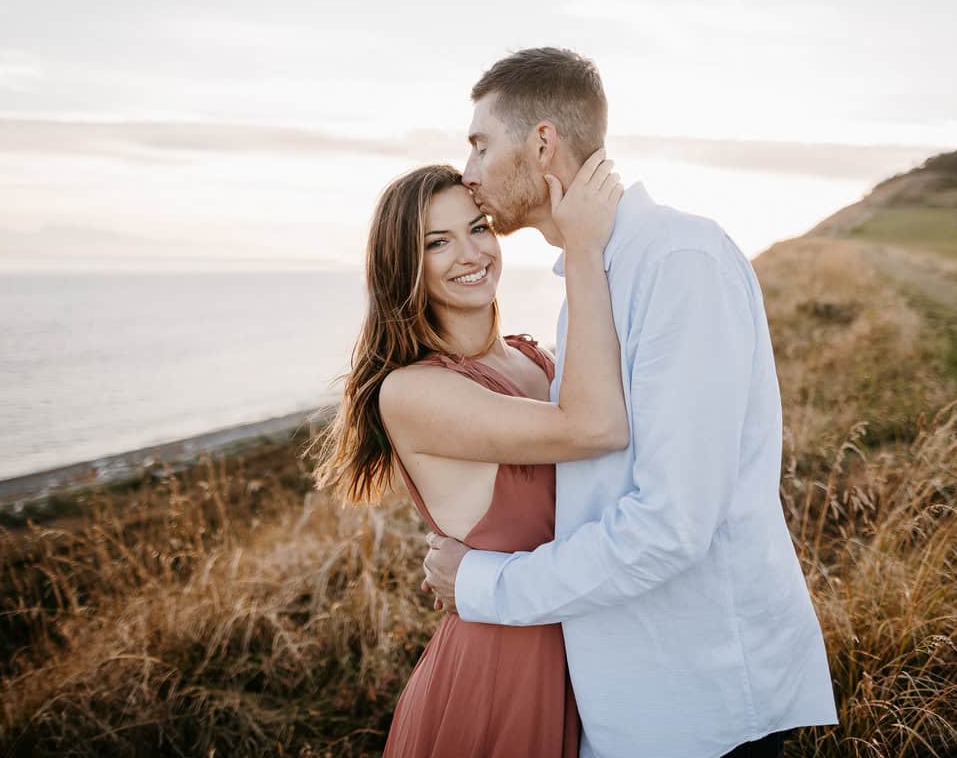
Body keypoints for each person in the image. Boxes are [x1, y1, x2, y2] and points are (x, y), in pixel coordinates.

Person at [421, 47, 839, 757]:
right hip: (633, 700)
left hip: (703, 704)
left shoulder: (678, 262)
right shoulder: (592, 280)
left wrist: (488, 583)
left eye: (482, 144)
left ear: (542, 143)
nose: (470, 170)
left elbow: (672, 525)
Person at [310, 154, 626, 756]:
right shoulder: (412, 390)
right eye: (438, 242)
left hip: (592, 656)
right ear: (404, 265)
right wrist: (583, 248)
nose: (472, 254)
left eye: (478, 227)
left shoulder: (535, 361)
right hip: (502, 672)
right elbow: (593, 430)